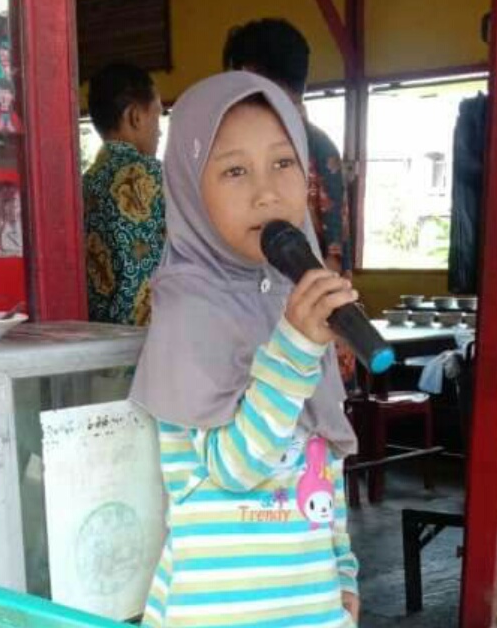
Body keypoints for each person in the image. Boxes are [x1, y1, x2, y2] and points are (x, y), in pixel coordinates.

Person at [131, 71, 360, 628]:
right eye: (235, 170)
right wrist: (295, 348)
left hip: (312, 611)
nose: (266, 192)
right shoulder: (188, 309)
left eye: (283, 162)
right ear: (189, 187)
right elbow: (235, 466)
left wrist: (343, 570)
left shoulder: (298, 300)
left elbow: (322, 456)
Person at [223, 18, 357, 385]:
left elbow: (330, 260)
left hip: (300, 336)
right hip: (286, 330)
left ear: (249, 73)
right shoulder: (317, 145)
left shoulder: (303, 147)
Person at [83, 62, 164, 325]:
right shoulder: (159, 178)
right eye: (157, 116)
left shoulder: (83, 185)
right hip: (154, 339)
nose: (160, 130)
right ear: (135, 117)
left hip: (97, 340)